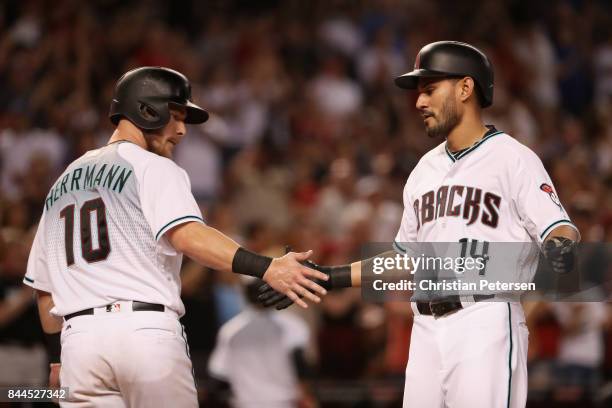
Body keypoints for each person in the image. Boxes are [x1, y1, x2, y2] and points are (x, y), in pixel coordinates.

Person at [259, 41, 580, 408]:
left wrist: (559, 247)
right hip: (425, 327)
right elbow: (407, 260)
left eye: (429, 90)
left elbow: (558, 227)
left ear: (465, 88)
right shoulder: (423, 171)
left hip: (483, 319)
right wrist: (330, 276)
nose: (419, 102)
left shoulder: (513, 157)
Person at [23, 66, 328, 407]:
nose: (182, 130)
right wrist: (268, 267)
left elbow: (44, 292)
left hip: (78, 344)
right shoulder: (152, 166)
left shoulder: (62, 182)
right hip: (144, 332)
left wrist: (57, 360)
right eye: (176, 116)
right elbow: (189, 237)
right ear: (148, 110)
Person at [208, 278, 316, 408]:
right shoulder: (293, 325)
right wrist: (309, 397)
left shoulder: (230, 330)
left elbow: (219, 374)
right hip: (283, 402)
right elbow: (301, 367)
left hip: (246, 403)